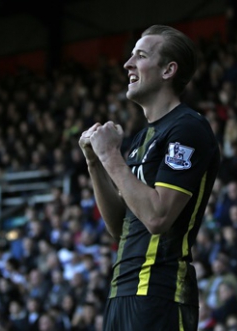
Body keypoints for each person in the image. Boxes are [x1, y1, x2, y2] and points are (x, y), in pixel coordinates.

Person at [79, 24, 220, 331]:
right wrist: (94, 163)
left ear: (169, 70)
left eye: (140, 56)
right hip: (122, 291)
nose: (128, 64)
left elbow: (158, 218)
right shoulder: (143, 138)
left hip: (161, 293)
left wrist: (110, 157)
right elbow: (121, 228)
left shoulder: (187, 128)